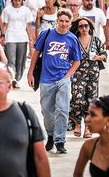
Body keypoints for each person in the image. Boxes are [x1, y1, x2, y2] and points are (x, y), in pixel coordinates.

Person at [27, 8, 81, 154]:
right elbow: (36, 53)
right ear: (57, 20)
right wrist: (30, 72)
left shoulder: (72, 39)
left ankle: (60, 140)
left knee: (63, 110)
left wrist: (67, 76)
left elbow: (76, 61)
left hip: (63, 79)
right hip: (46, 79)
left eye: (67, 21)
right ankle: (50, 134)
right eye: (61, 20)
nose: (63, 23)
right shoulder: (47, 34)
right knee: (47, 111)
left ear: (70, 23)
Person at [69, 16, 107, 138]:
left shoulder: (96, 40)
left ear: (90, 27)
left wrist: (98, 57)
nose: (84, 28)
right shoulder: (74, 41)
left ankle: (87, 127)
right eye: (81, 26)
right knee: (78, 98)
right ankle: (77, 122)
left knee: (91, 101)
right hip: (78, 73)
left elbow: (104, 55)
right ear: (78, 28)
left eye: (86, 26)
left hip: (93, 74)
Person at [1, 0, 33, 88]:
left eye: (19, 0)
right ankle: (12, 78)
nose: (17, 2)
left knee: (21, 60)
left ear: (22, 1)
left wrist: (30, 38)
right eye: (15, 0)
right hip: (10, 36)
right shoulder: (7, 10)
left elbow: (28, 25)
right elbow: (5, 24)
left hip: (22, 37)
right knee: (11, 60)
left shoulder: (26, 10)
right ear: (12, 1)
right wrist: (3, 36)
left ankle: (17, 78)